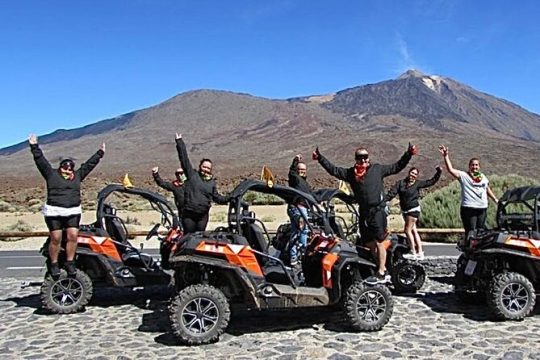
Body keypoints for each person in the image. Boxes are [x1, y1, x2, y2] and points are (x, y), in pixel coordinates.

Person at [314, 143, 416, 284]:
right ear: (356, 159)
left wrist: (409, 154)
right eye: (359, 158)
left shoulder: (377, 169)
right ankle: (382, 269)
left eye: (365, 157)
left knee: (380, 241)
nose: (362, 160)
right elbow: (334, 170)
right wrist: (320, 158)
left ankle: (381, 272)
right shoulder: (351, 173)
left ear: (369, 158)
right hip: (364, 212)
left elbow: (397, 167)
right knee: (368, 243)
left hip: (377, 211)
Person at [28, 134, 105, 279]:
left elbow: (89, 165)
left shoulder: (77, 176)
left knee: (73, 236)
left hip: (72, 211)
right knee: (56, 238)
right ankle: (54, 263)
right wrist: (34, 146)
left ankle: (70, 262)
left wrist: (99, 153)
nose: (67, 171)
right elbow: (41, 161)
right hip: (54, 211)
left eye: (70, 169)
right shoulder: (51, 174)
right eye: (64, 168)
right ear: (60, 167)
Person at [438, 145, 498, 246]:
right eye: (472, 165)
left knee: (481, 231)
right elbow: (451, 170)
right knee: (471, 231)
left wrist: (495, 199)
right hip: (469, 207)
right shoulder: (464, 176)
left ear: (479, 166)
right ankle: (469, 252)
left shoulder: (482, 176)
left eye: (476, 165)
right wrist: (446, 156)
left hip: (482, 207)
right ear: (469, 166)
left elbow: (486, 188)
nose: (474, 167)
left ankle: (479, 251)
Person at [175, 133, 230, 233]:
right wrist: (179, 142)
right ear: (200, 166)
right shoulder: (192, 175)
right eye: (204, 166)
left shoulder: (211, 183)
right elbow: (184, 159)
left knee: (200, 238)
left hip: (202, 216)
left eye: (208, 168)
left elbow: (217, 197)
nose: (206, 169)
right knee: (189, 238)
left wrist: (230, 197)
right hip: (189, 215)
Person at [384, 166, 442, 260]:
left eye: (415, 174)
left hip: (413, 209)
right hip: (405, 210)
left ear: (417, 176)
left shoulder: (418, 184)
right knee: (414, 231)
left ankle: (413, 251)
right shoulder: (401, 183)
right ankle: (420, 252)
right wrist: (384, 200)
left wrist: (438, 173)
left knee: (407, 230)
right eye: (412, 173)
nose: (413, 175)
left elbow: (431, 182)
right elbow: (392, 193)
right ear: (409, 173)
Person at [287, 154, 314, 266]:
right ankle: (302, 255)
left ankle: (294, 257)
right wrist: (295, 161)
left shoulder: (305, 183)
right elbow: (291, 173)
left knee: (295, 233)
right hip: (297, 208)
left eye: (304, 170)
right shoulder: (295, 180)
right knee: (303, 231)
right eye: (300, 169)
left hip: (302, 208)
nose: (302, 171)